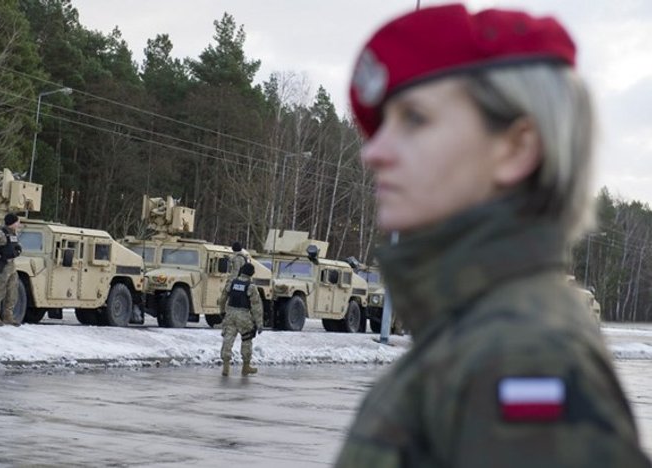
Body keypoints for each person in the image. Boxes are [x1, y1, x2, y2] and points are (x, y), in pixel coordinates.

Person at [336, 4, 651, 467]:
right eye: (383, 124)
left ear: (516, 147)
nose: (374, 152)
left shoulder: (521, 357)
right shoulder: (475, 334)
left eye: (415, 119)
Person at [219, 262, 263, 377]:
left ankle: (226, 368)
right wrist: (259, 323)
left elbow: (223, 298)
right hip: (244, 316)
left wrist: (222, 312)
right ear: (251, 273)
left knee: (228, 339)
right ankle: (246, 367)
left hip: (230, 314)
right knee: (247, 339)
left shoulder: (232, 283)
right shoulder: (251, 286)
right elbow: (256, 306)